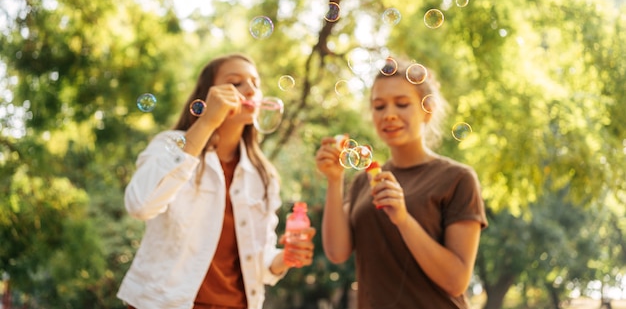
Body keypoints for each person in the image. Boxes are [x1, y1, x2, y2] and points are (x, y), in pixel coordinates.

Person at [117, 53, 316, 309]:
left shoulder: (262, 175)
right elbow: (140, 205)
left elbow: (259, 257)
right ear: (208, 96)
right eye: (235, 83)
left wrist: (285, 258)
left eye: (255, 83)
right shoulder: (170, 146)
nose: (250, 90)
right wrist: (207, 121)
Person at [315, 57, 488, 309]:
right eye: (379, 106)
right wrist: (334, 180)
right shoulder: (366, 180)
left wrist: (403, 220)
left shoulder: (457, 179)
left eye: (402, 104)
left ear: (427, 109)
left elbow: (456, 281)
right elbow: (337, 252)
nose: (389, 115)